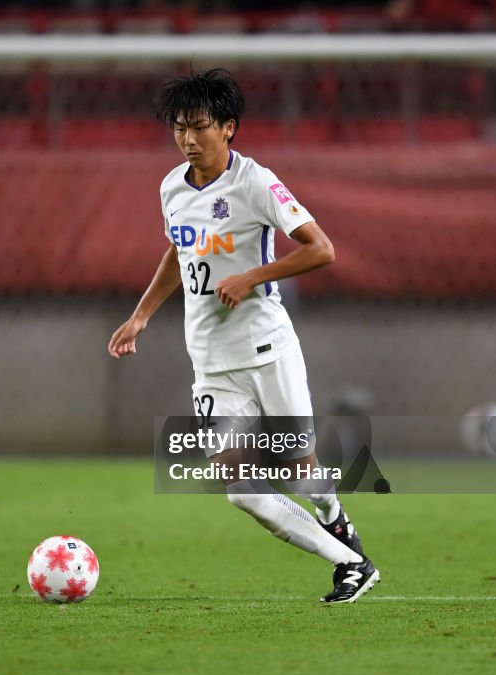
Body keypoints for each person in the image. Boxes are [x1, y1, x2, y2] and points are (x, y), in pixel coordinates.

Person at [108, 69, 379, 603]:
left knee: (298, 470)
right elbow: (177, 252)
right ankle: (350, 561)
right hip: (210, 363)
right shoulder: (171, 188)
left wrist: (252, 276)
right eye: (179, 128)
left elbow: (320, 248)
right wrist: (141, 315)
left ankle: (333, 513)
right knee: (240, 489)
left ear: (228, 127)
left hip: (268, 351)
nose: (188, 140)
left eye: (200, 127)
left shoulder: (255, 182)